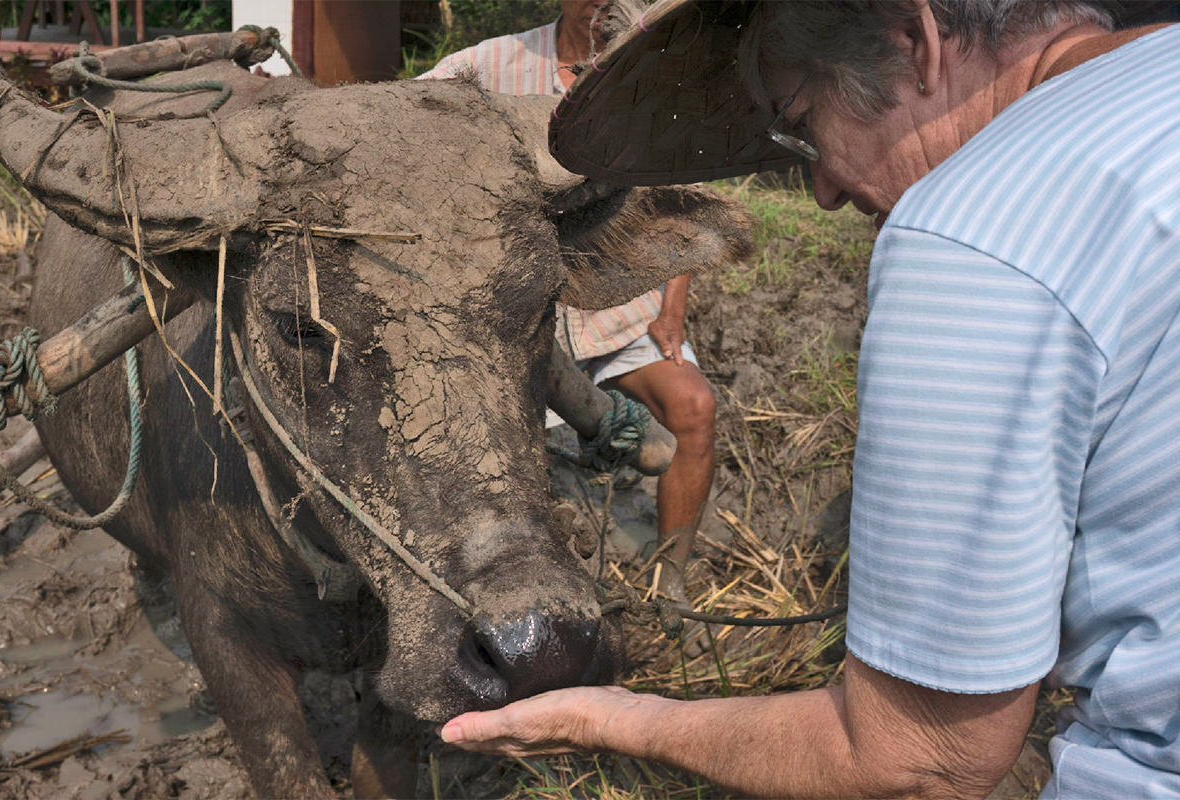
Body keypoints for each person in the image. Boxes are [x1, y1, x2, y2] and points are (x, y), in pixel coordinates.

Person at [434, 1, 1180, 798]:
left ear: (916, 43)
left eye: (802, 122)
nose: (822, 187)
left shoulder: (973, 236)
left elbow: (920, 762)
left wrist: (610, 718)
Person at [418, 0, 718, 608]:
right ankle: (531, 596)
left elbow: (683, 200)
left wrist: (671, 313)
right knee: (503, 450)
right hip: (514, 313)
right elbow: (400, 123)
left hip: (616, 304)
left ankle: (672, 586)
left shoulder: (653, 75)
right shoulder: (486, 65)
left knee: (693, 408)